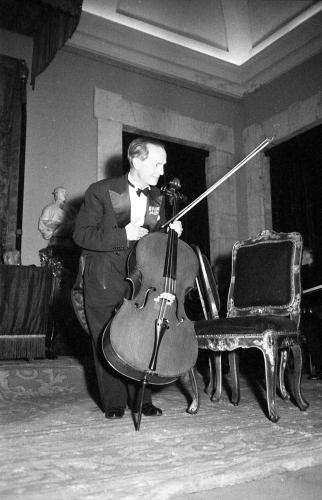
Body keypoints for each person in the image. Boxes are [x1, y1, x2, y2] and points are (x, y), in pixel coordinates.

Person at [73, 137, 182, 419]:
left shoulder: (157, 197)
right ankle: (113, 402)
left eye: (163, 165)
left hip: (140, 281)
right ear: (136, 160)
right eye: (156, 164)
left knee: (141, 339)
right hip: (104, 279)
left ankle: (142, 400)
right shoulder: (100, 191)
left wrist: (169, 234)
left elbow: (151, 241)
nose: (161, 171)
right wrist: (124, 235)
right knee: (105, 341)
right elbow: (81, 235)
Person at [301, 247, 322, 378]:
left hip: (317, 309)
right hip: (306, 313)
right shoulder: (297, 273)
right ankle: (319, 367)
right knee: (311, 327)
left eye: (304, 257)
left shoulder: (317, 272)